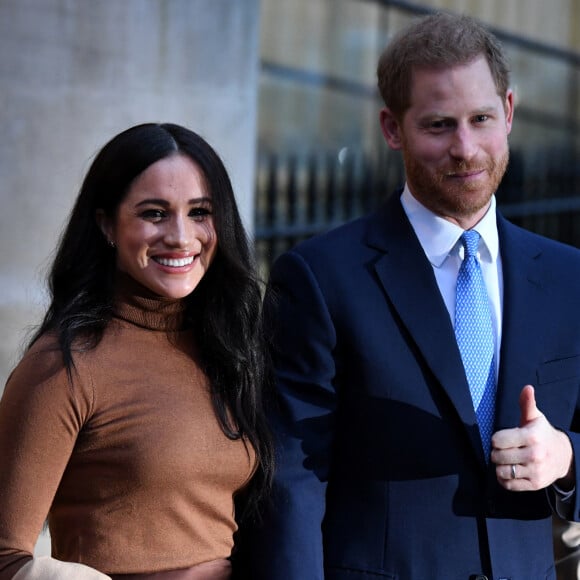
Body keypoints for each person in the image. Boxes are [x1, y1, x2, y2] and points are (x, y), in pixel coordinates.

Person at [242, 12, 580, 580]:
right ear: (392, 129)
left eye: (481, 119)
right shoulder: (320, 278)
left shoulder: (570, 277)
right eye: (439, 125)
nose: (466, 149)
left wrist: (567, 458)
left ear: (511, 113)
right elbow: (292, 480)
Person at [0, 122, 273, 579]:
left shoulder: (229, 348)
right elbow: (6, 558)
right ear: (107, 224)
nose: (182, 237)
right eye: (154, 213)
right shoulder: (63, 367)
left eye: (201, 212)